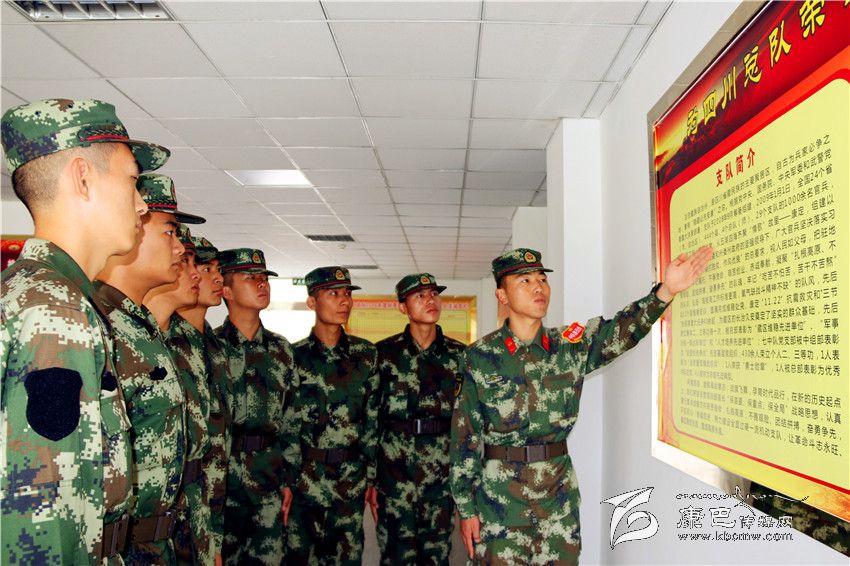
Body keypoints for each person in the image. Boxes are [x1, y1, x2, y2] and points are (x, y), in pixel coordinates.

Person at [450, 246, 713, 565]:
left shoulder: (569, 347)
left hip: (557, 503)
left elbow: (620, 330)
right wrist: (466, 509)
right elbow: (463, 439)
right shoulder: (479, 358)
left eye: (542, 279)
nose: (538, 287)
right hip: (500, 505)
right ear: (502, 295)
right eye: (524, 281)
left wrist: (666, 291)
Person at [0, 98, 168, 563]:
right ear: (82, 178)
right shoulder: (54, 309)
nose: (142, 205)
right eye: (132, 181)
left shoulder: (40, 292)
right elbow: (46, 511)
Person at [95, 173, 204, 565]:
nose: (180, 248)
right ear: (133, 231)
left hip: (159, 543)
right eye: (169, 232)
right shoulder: (99, 324)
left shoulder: (141, 327)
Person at [145, 226, 227, 566]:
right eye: (191, 264)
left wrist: (211, 532)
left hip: (196, 509)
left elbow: (211, 441)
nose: (198, 275)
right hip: (151, 522)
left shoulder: (199, 344)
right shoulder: (138, 338)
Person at [286, 267, 380, 565]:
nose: (344, 301)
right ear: (312, 302)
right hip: (305, 479)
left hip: (350, 480)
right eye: (334, 293)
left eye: (348, 293)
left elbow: (372, 421)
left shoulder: (366, 355)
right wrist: (287, 479)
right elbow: (286, 425)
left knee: (348, 558)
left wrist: (371, 478)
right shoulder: (293, 357)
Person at [374, 273, 466, 565]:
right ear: (402, 306)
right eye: (420, 296)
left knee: (437, 556)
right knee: (396, 555)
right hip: (395, 477)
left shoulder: (459, 356)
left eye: (434, 294)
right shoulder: (383, 355)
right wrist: (371, 479)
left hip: (440, 478)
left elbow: (467, 423)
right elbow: (371, 419)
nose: (431, 300)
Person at [215, 248, 296, 565]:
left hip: (268, 476)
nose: (262, 284)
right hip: (222, 480)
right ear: (226, 290)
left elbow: (291, 418)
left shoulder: (281, 349)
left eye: (264, 278)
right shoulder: (212, 347)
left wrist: (288, 478)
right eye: (250, 278)